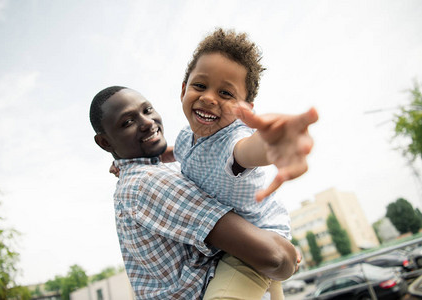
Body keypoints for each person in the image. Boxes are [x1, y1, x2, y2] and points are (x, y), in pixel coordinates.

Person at [90, 86, 299, 300]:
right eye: (127, 122)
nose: (147, 122)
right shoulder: (148, 182)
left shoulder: (142, 177)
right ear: (105, 142)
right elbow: (274, 257)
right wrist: (287, 258)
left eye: (147, 109)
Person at [174, 28, 318, 299]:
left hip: (256, 244)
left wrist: (273, 145)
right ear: (183, 89)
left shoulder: (235, 141)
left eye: (226, 93)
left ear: (246, 110)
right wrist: (144, 158)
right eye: (200, 86)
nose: (208, 98)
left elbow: (247, 152)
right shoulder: (184, 137)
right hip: (232, 246)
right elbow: (177, 151)